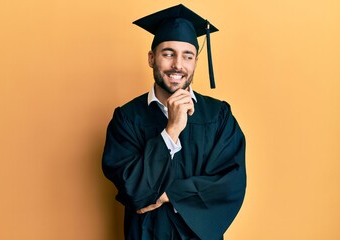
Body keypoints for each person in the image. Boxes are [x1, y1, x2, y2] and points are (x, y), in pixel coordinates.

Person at [102, 4, 246, 240]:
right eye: (168, 53)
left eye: (187, 55)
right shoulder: (127, 118)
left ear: (195, 62)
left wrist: (167, 194)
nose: (178, 65)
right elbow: (133, 190)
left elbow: (230, 184)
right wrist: (171, 131)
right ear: (151, 58)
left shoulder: (218, 116)